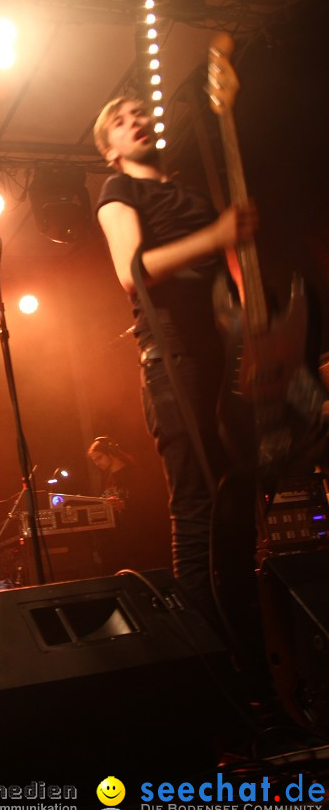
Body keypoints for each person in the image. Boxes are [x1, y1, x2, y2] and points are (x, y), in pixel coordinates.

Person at [92, 47, 260, 656]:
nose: (137, 120)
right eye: (121, 119)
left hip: (224, 356)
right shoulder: (117, 189)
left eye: (141, 112)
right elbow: (132, 272)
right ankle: (212, 669)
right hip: (175, 361)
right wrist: (215, 235)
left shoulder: (187, 192)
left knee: (236, 512)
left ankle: (255, 670)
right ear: (108, 147)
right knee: (198, 510)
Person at [86, 436, 135, 574]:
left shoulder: (133, 474)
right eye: (94, 460)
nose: (96, 463)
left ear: (111, 452)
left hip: (137, 541)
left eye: (99, 458)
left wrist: (124, 505)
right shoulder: (108, 478)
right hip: (118, 543)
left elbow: (150, 501)